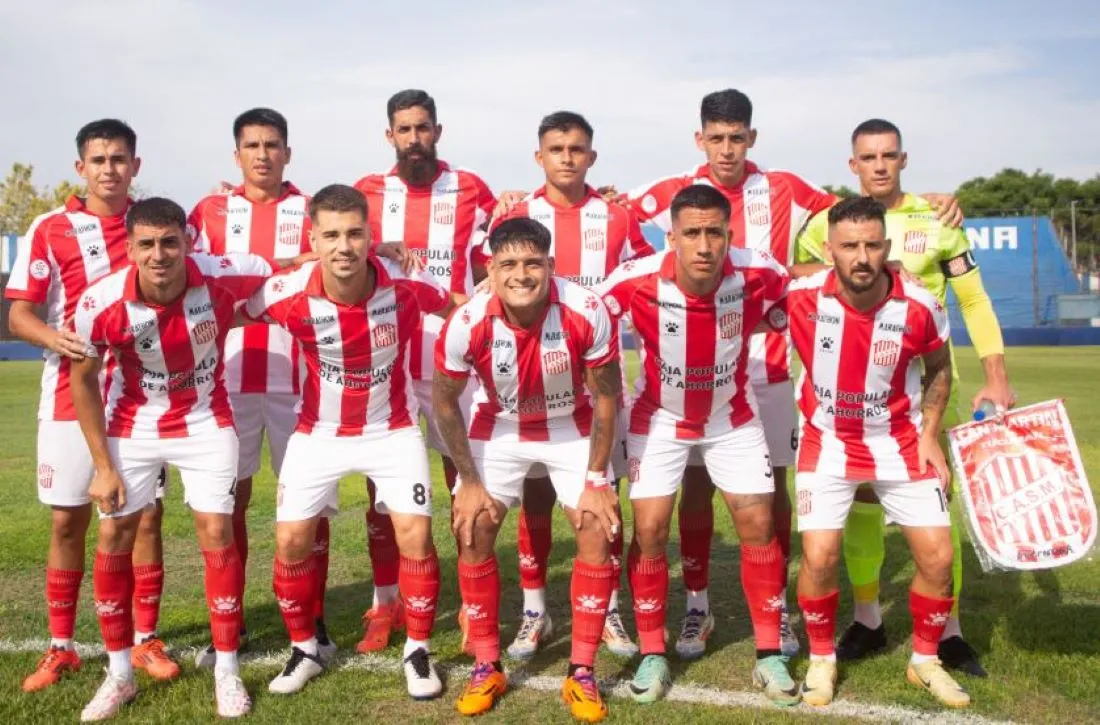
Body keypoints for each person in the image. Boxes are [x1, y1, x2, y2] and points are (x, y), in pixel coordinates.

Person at [619, 89, 964, 660]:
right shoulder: (673, 190)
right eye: (716, 138)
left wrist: (918, 204)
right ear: (699, 139)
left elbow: (857, 213)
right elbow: (606, 212)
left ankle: (774, 617)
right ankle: (698, 606)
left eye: (737, 137)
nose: (727, 149)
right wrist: (516, 203)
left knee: (771, 498)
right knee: (693, 491)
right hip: (691, 364)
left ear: (752, 138)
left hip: (771, 363)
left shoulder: (785, 187)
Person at [795, 118, 1014, 676]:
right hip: (852, 402)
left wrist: (997, 373)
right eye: (868, 157)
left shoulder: (937, 219)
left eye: (889, 155)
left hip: (929, 397)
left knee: (938, 510)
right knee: (862, 509)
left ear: (903, 159)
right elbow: (797, 280)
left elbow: (974, 300)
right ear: (853, 165)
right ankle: (868, 619)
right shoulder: (825, 223)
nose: (879, 165)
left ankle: (951, 632)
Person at [70, 197, 277, 720]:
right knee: (117, 533)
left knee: (216, 529)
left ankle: (226, 669)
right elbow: (84, 382)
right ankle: (119, 675)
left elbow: (283, 271)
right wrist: (101, 465)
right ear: (130, 248)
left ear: (188, 240)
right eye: (147, 244)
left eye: (169, 242)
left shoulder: (223, 275)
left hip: (207, 420)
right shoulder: (101, 303)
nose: (159, 255)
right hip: (133, 423)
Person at [242, 184, 450, 700]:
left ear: (370, 237)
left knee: (415, 535)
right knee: (291, 540)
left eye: (355, 234)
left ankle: (417, 650)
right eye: (331, 235)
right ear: (313, 238)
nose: (344, 246)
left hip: (392, 429)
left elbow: (459, 305)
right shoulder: (286, 293)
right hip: (318, 433)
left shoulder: (406, 287)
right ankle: (305, 648)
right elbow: (232, 308)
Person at [596, 185, 797, 706]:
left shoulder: (758, 271)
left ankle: (769, 654)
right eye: (692, 233)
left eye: (715, 232)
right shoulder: (636, 279)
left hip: (732, 416)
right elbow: (580, 311)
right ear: (672, 236)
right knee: (650, 530)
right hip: (657, 418)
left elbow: (813, 289)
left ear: (729, 232)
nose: (705, 245)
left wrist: (898, 273)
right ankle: (651, 653)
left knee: (758, 523)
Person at [4, 119, 177, 693]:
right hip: (66, 395)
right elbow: (19, 314)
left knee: (144, 516)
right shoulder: (50, 228)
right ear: (81, 168)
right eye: (98, 159)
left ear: (136, 165)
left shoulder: (154, 222)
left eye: (120, 158)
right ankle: (61, 648)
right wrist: (55, 339)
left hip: (142, 396)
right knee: (67, 518)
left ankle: (145, 636)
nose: (110, 168)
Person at [434, 217, 623, 721]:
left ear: (551, 266)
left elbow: (607, 395)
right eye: (509, 264)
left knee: (595, 526)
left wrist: (599, 479)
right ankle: (486, 666)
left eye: (533, 263)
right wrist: (468, 482)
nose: (521, 274)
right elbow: (445, 402)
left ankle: (581, 671)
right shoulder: (468, 320)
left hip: (572, 425)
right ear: (490, 270)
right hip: (500, 426)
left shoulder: (586, 309)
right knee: (472, 526)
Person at [789, 196, 970, 709]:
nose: (862, 256)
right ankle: (823, 658)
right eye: (849, 246)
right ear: (830, 250)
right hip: (826, 443)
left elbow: (938, 369)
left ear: (888, 247)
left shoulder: (919, 304)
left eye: (872, 244)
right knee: (819, 556)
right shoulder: (800, 295)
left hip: (900, 442)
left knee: (938, 556)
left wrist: (931, 434)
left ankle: (925, 660)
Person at [488, 111, 654, 661]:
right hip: (532, 383)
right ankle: (535, 610)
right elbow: (490, 282)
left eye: (576, 148)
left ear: (591, 157)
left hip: (598, 378)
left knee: (601, 495)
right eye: (555, 148)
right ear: (539, 157)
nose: (566, 157)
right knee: (535, 497)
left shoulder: (617, 217)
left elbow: (640, 281)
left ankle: (607, 612)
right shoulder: (516, 214)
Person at [351, 89, 501, 653]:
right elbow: (331, 246)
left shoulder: (473, 190)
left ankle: (469, 604)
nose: (414, 138)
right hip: (385, 357)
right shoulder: (367, 193)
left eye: (423, 128)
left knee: (464, 477)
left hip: (452, 358)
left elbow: (495, 258)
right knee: (381, 486)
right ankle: (384, 602)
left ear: (438, 130)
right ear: (389, 135)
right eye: (403, 130)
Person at [186, 106, 335, 667]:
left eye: (273, 145)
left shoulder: (311, 208)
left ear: (287, 153)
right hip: (227, 378)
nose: (263, 154)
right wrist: (282, 263)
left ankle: (314, 617)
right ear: (237, 154)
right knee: (233, 502)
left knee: (309, 503)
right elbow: (194, 270)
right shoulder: (209, 210)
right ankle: (235, 619)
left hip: (299, 377)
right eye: (252, 145)